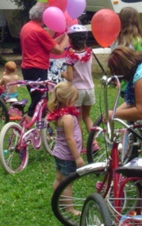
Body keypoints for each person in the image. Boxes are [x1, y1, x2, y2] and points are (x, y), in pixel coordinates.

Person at [113, 7, 142, 158]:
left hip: (122, 82)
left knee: (129, 116)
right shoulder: (137, 40)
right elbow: (141, 59)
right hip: (138, 82)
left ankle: (123, 144)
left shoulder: (116, 38)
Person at [20, 2, 69, 117]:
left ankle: (38, 126)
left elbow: (48, 44)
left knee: (36, 97)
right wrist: (66, 38)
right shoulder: (40, 31)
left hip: (27, 67)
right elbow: (58, 50)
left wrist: (60, 37)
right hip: (38, 67)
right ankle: (30, 122)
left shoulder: (27, 27)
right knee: (40, 101)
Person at [47, 81, 85, 216]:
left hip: (59, 153)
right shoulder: (68, 117)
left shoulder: (58, 114)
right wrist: (77, 157)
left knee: (59, 178)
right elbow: (70, 139)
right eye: (74, 99)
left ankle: (57, 200)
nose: (75, 102)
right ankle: (69, 208)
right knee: (67, 183)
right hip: (67, 156)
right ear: (68, 100)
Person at [61, 24, 96, 152]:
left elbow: (69, 77)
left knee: (78, 120)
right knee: (87, 117)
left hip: (77, 91)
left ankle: (81, 147)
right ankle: (94, 143)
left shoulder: (70, 56)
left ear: (71, 40)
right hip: (90, 88)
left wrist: (63, 74)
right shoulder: (89, 52)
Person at [48, 12, 78, 83]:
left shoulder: (55, 16)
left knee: (54, 87)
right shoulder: (73, 16)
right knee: (67, 87)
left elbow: (47, 40)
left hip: (55, 57)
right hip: (69, 55)